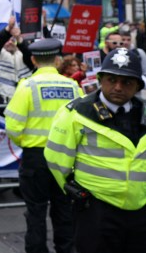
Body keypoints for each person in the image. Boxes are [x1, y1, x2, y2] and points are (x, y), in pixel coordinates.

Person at [45, 47, 146, 253]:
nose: (118, 87)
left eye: (126, 82)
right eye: (111, 80)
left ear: (137, 86)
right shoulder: (76, 112)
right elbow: (56, 159)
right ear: (101, 79)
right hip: (96, 210)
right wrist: (77, 191)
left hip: (140, 210)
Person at [4, 39, 82, 253]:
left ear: (33, 60)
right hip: (65, 159)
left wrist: (26, 143)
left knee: (36, 212)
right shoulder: (73, 86)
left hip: (36, 158)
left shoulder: (27, 86)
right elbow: (82, 124)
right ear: (57, 60)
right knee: (64, 210)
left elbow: (12, 126)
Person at [0, 15, 34, 105]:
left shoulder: (22, 56)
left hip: (21, 102)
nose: (9, 42)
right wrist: (8, 30)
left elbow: (29, 54)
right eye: (7, 40)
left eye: (12, 40)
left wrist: (19, 38)